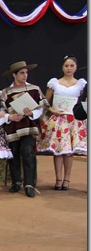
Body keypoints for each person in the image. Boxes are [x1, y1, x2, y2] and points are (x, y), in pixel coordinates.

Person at [37, 56, 87, 190]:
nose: (69, 68)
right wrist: (52, 110)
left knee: (69, 152)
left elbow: (82, 101)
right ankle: (58, 178)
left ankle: (67, 179)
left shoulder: (81, 84)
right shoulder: (54, 83)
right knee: (58, 151)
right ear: (62, 67)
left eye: (71, 66)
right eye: (66, 66)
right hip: (58, 120)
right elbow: (45, 102)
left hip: (73, 120)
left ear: (76, 67)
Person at [0, 61, 47, 198]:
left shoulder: (34, 89)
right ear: (14, 75)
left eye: (26, 73)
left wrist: (31, 113)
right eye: (21, 73)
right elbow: (1, 112)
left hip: (28, 127)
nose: (25, 75)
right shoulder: (5, 92)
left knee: (28, 153)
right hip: (13, 128)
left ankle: (29, 184)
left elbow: (42, 107)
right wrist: (10, 116)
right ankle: (16, 182)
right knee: (13, 154)